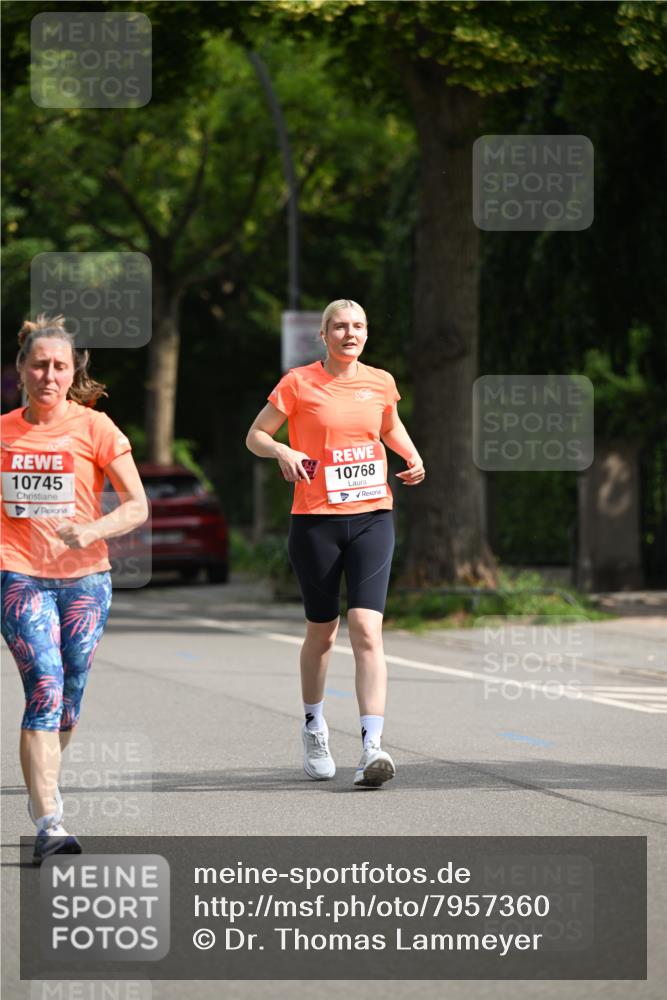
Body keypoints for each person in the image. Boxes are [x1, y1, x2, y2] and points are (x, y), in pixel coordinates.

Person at [246, 299, 425, 788]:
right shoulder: (298, 383)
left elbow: (389, 425)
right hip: (315, 522)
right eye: (341, 326)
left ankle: (372, 747)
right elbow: (255, 435)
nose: (351, 333)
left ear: (366, 334)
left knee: (367, 628)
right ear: (323, 335)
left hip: (372, 516)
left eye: (359, 326)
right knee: (322, 632)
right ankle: (314, 727)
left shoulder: (381, 382)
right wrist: (282, 449)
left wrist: (411, 455)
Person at [0, 315, 148, 863]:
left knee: (69, 696)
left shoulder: (97, 428)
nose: (49, 375)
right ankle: (49, 822)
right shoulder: (3, 432)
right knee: (44, 685)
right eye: (39, 365)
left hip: (86, 580)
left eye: (59, 366)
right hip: (18, 574)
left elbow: (136, 505)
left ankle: (45, 785)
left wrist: (92, 530)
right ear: (21, 369)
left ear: (72, 372)